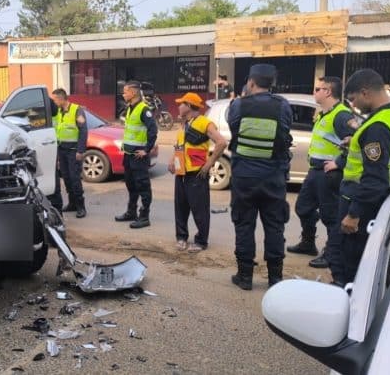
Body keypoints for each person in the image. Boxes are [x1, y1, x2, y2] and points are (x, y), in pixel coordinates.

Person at [324, 69, 390, 284]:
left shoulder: (377, 128)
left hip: (363, 205)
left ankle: (348, 306)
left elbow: (374, 179)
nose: (353, 106)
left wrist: (354, 214)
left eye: (353, 100)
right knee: (373, 266)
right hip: (387, 201)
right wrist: (354, 142)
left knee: (349, 264)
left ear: (365, 93)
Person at [227, 64, 293, 290]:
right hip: (273, 177)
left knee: (244, 225)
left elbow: (233, 127)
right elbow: (285, 133)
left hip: (244, 177)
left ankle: (245, 277)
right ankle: (275, 278)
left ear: (251, 83)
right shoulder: (282, 106)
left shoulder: (238, 105)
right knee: (274, 226)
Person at [287, 77, 355, 284]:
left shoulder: (341, 115)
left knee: (331, 216)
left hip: (329, 173)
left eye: (317, 89)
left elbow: (356, 141)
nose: (314, 92)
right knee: (303, 207)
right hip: (315, 171)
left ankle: (330, 253)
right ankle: (308, 242)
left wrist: (340, 162)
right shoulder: (324, 114)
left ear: (328, 92)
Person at [168, 92, 228, 253]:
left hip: (196, 173)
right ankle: (181, 238)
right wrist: (172, 160)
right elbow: (180, 145)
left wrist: (209, 164)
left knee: (199, 209)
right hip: (181, 172)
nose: (178, 106)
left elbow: (221, 143)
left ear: (188, 106)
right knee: (180, 207)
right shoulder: (183, 124)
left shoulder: (204, 123)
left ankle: (201, 241)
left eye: (181, 104)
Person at [114, 81, 158, 228]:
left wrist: (146, 150)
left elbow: (153, 131)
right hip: (128, 154)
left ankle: (144, 216)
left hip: (139, 157)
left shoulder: (144, 110)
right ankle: (131, 212)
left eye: (125, 92)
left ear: (133, 93)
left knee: (143, 186)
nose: (123, 94)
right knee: (131, 185)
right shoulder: (130, 108)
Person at [50, 88, 88, 218]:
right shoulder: (59, 112)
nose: (53, 102)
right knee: (66, 178)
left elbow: (83, 131)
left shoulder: (76, 110)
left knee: (75, 179)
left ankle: (80, 207)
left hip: (73, 151)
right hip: (62, 150)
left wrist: (80, 150)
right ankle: (72, 203)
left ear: (61, 99)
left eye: (54, 100)